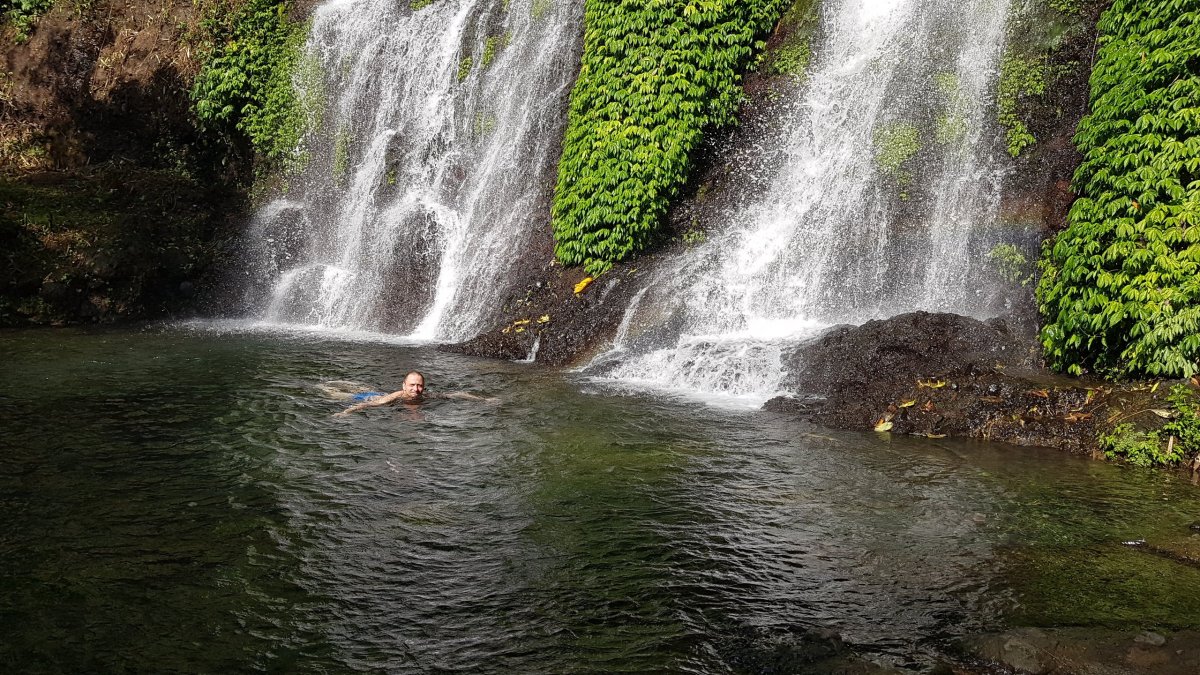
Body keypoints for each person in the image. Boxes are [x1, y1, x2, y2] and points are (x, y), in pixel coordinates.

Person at [331, 371, 492, 416]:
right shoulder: (396, 396)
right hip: (368, 397)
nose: (416, 389)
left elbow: (456, 394)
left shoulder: (426, 396)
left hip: (377, 393)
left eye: (420, 386)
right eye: (412, 385)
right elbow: (370, 404)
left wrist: (484, 400)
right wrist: (345, 412)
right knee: (334, 393)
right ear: (404, 385)